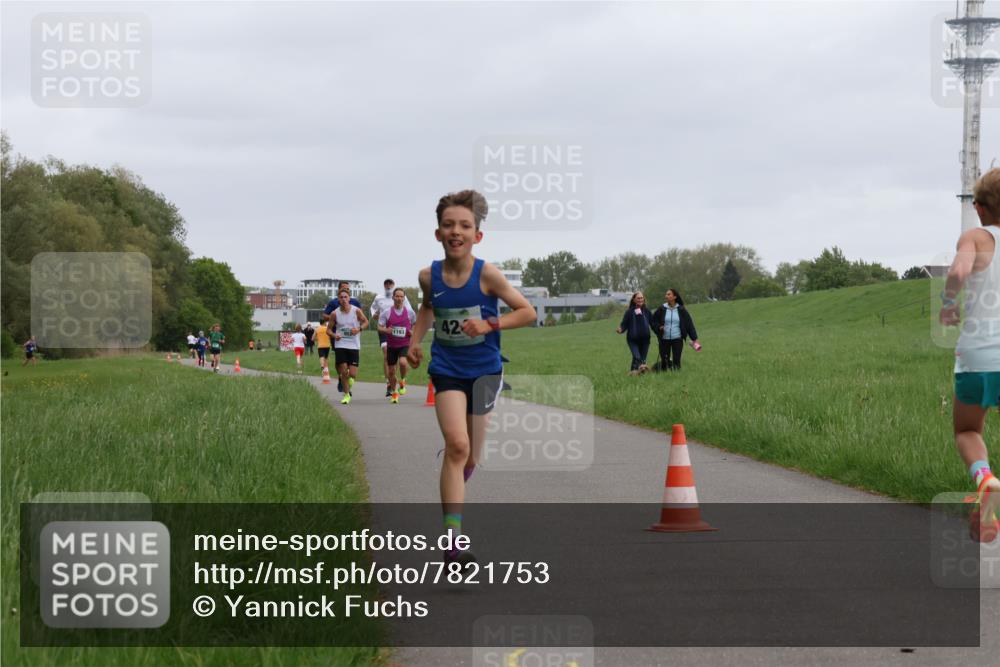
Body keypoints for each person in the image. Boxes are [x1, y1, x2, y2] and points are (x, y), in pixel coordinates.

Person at [407, 190, 536, 566]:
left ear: (477, 235)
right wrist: (415, 344)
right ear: (438, 233)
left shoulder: (488, 275)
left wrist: (489, 323)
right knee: (458, 446)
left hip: (484, 372)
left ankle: (455, 481)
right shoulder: (428, 276)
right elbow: (427, 310)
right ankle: (453, 541)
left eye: (465, 225)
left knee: (471, 457)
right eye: (448, 225)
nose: (456, 231)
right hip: (446, 369)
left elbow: (527, 312)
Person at [940, 167, 1000, 541]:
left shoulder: (975, 238)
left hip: (979, 356)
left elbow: (959, 272)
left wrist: (948, 303)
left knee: (967, 429)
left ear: (978, 207)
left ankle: (986, 479)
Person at [371, 278, 415, 397]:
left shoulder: (410, 312)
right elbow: (379, 326)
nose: (399, 298)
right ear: (393, 298)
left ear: (404, 298)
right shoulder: (384, 309)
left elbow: (415, 324)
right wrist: (386, 330)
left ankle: (403, 380)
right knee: (391, 370)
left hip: (404, 342)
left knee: (402, 362)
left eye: (401, 297)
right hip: (391, 343)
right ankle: (393, 390)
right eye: (397, 296)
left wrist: (412, 332)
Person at [331, 289, 368, 404]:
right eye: (341, 297)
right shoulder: (334, 313)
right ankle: (346, 395)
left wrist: (359, 329)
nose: (343, 299)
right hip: (340, 344)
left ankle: (348, 381)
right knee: (343, 371)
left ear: (349, 298)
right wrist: (334, 335)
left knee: (352, 374)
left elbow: (366, 322)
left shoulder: (356, 311)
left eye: (345, 297)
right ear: (338, 299)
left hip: (354, 345)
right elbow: (328, 330)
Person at [651, 289, 699, 371]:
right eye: (666, 294)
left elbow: (689, 324)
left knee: (676, 360)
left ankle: (677, 375)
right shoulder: (662, 308)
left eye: (669, 294)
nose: (666, 296)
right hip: (664, 339)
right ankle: (665, 375)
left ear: (674, 297)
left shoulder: (681, 309)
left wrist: (694, 338)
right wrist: (659, 327)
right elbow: (653, 321)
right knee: (665, 361)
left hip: (677, 338)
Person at [616, 291, 653, 375]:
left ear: (644, 299)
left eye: (641, 298)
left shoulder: (647, 311)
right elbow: (624, 324)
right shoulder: (629, 312)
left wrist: (660, 330)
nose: (640, 299)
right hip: (633, 340)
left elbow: (653, 323)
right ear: (634, 300)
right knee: (637, 357)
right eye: (638, 298)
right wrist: (620, 329)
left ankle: (633, 374)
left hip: (645, 340)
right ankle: (636, 373)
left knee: (642, 360)